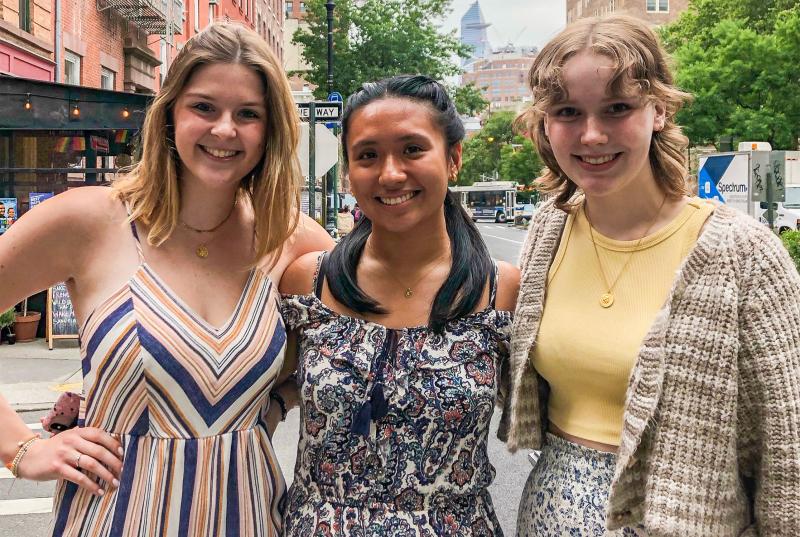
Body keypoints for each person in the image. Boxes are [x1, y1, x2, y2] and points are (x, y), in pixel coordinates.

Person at [0, 22, 333, 536]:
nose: (225, 129)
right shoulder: (89, 222)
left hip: (248, 513)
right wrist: (20, 449)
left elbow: (361, 340)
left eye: (248, 114)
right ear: (170, 114)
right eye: (204, 107)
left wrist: (278, 402)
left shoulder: (287, 237)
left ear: (270, 131)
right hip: (116, 515)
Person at [499, 15, 800, 536]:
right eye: (568, 112)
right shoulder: (548, 231)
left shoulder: (745, 254)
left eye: (618, 108)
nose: (592, 135)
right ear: (545, 124)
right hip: (545, 513)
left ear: (658, 109)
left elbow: (786, 455)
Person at [279, 75, 520, 535]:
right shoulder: (308, 282)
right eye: (368, 155)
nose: (390, 173)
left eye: (412, 149)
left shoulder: (500, 290)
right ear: (349, 173)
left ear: (453, 160)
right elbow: (247, 392)